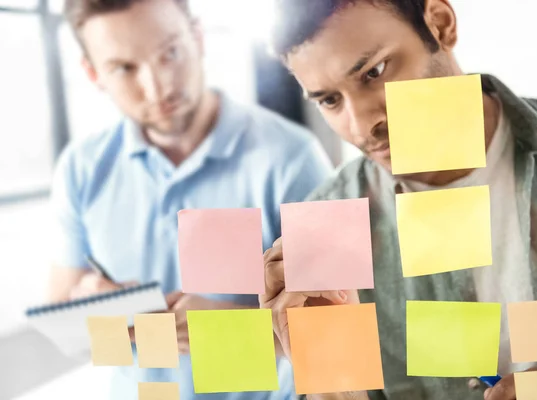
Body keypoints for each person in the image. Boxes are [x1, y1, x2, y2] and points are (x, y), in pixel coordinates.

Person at [260, 1, 537, 399]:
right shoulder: (324, 227)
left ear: (439, 24)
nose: (361, 125)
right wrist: (329, 382)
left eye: (375, 72)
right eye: (330, 100)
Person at [49, 0, 333, 399]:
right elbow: (65, 325)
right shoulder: (80, 168)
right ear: (93, 74)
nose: (158, 85)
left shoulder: (294, 157)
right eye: (124, 68)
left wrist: (229, 332)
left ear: (198, 38)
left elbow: (338, 337)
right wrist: (95, 315)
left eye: (170, 52)